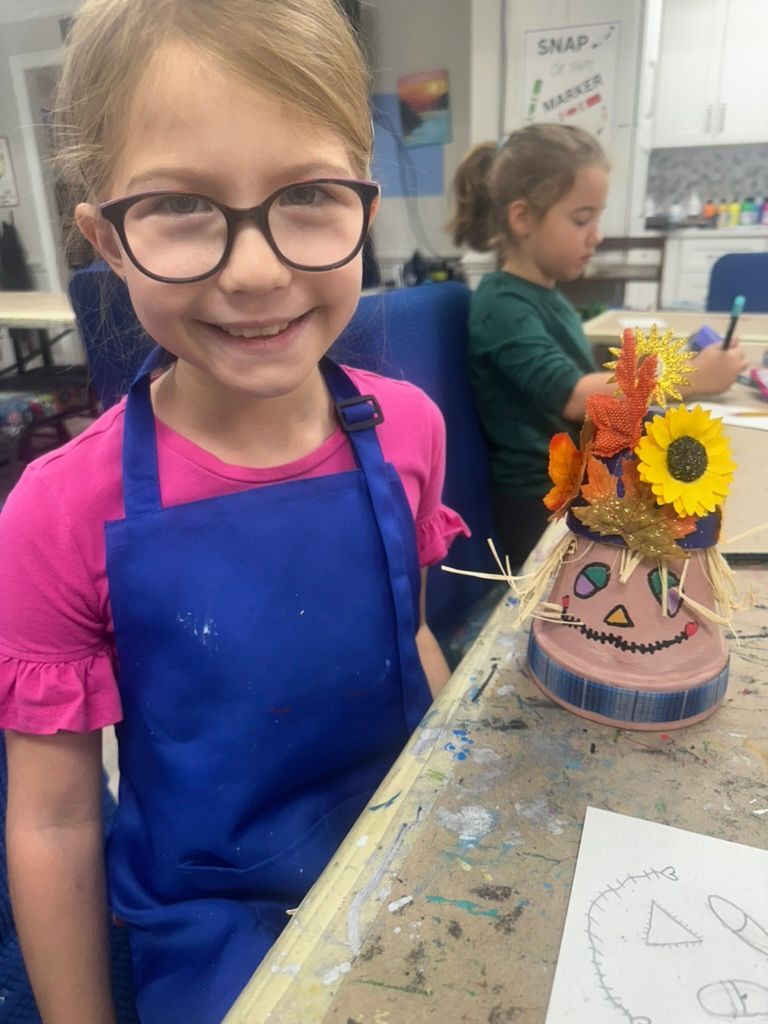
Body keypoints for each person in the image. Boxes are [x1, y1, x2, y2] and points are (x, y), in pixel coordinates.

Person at [0, 2, 468, 1021]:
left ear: (365, 206)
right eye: (180, 206)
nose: (255, 270)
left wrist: (462, 797)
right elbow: (54, 821)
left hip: (413, 854)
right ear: (106, 242)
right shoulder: (55, 511)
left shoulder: (411, 431)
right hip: (214, 924)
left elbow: (415, 630)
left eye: (306, 194)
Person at [448, 123, 748, 571]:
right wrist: (689, 377)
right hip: (540, 502)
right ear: (522, 217)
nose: (597, 235)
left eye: (596, 218)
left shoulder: (543, 295)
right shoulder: (502, 305)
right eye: (581, 219)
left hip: (582, 482)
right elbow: (572, 397)